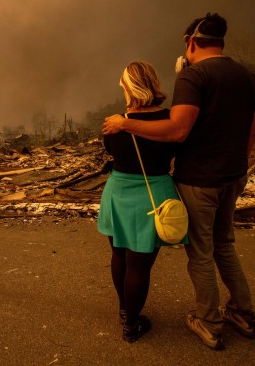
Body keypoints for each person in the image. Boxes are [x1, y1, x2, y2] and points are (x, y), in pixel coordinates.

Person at [102, 13, 255, 350]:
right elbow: (252, 130)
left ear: (191, 42)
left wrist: (125, 123)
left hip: (199, 180)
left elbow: (178, 130)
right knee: (224, 245)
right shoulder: (248, 76)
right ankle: (243, 314)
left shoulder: (193, 76)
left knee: (200, 253)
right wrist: (240, 166)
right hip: (233, 175)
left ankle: (209, 324)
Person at [97, 61, 188, 343]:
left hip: (118, 192)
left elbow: (111, 150)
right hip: (154, 194)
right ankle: (132, 323)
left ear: (129, 86)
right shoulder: (171, 120)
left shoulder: (114, 123)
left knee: (119, 255)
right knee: (139, 265)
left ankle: (125, 312)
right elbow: (178, 146)